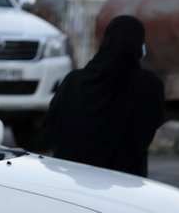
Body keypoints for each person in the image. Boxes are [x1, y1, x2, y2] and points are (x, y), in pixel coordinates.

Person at [41, 14, 165, 177]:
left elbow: (49, 130)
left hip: (73, 178)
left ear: (106, 41)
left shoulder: (74, 82)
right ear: (138, 44)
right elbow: (154, 122)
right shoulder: (151, 86)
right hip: (128, 181)